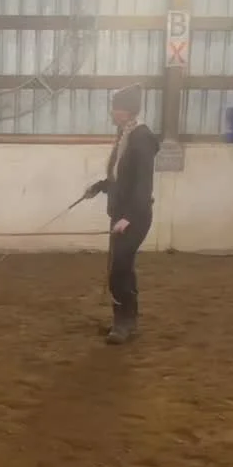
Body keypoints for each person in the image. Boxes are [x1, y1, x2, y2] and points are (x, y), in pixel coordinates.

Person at [85, 84, 159, 345]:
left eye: (116, 108)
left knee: (119, 269)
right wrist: (100, 186)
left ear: (127, 110)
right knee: (122, 267)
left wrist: (129, 217)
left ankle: (124, 323)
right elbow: (122, 176)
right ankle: (127, 319)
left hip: (134, 217)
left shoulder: (141, 138)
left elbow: (143, 183)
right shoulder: (125, 134)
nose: (112, 112)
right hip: (121, 213)